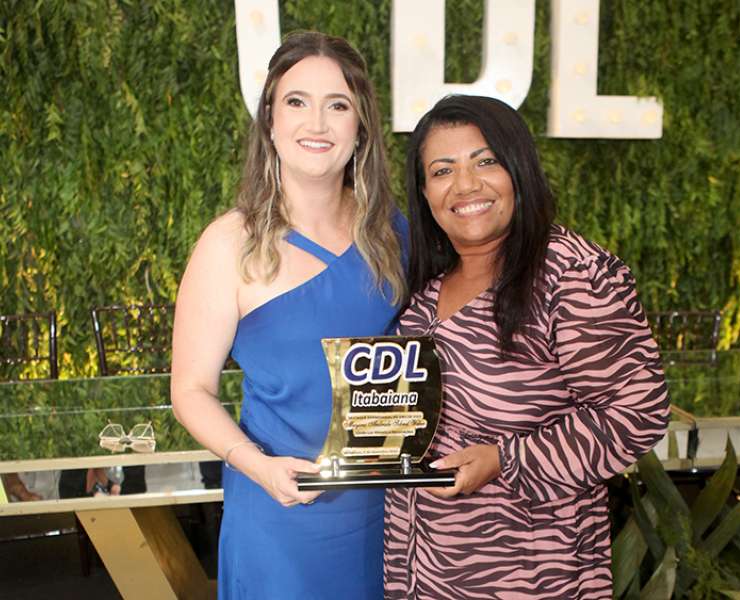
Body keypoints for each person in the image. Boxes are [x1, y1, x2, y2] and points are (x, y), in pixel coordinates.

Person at [384, 95, 670, 599]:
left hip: (531, 575)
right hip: (424, 570)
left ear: (519, 169)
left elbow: (637, 412)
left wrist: (505, 460)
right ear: (425, 193)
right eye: (442, 170)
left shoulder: (571, 274)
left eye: (485, 162)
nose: (465, 185)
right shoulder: (427, 285)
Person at [171, 31, 407, 599]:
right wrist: (256, 465)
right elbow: (190, 390)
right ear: (270, 122)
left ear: (361, 126)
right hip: (277, 512)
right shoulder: (229, 243)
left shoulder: (395, 233)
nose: (317, 123)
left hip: (391, 517)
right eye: (297, 102)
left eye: (338, 105)